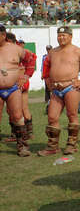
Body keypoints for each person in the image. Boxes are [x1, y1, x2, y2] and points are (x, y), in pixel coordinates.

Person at [37, 26, 80, 156]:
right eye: (59, 35)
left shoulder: (77, 51)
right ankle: (52, 146)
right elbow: (46, 65)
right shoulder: (53, 52)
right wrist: (47, 79)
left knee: (72, 115)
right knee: (52, 117)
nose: (61, 37)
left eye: (64, 35)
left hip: (71, 87)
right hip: (56, 89)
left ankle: (71, 145)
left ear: (70, 36)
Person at [0, 25, 36, 156]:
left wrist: (26, 76)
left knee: (17, 116)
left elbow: (31, 59)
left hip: (13, 88)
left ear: (3, 35)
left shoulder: (16, 49)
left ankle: (23, 147)